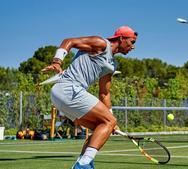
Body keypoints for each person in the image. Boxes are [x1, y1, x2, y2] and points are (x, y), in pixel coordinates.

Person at [41, 26, 138, 169]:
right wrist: (57, 61)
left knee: (101, 127)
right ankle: (83, 164)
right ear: (121, 38)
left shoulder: (111, 65)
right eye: (132, 42)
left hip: (63, 96)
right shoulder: (101, 44)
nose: (133, 47)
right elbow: (69, 41)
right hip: (68, 88)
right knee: (107, 122)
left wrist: (110, 119)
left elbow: (104, 93)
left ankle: (82, 163)